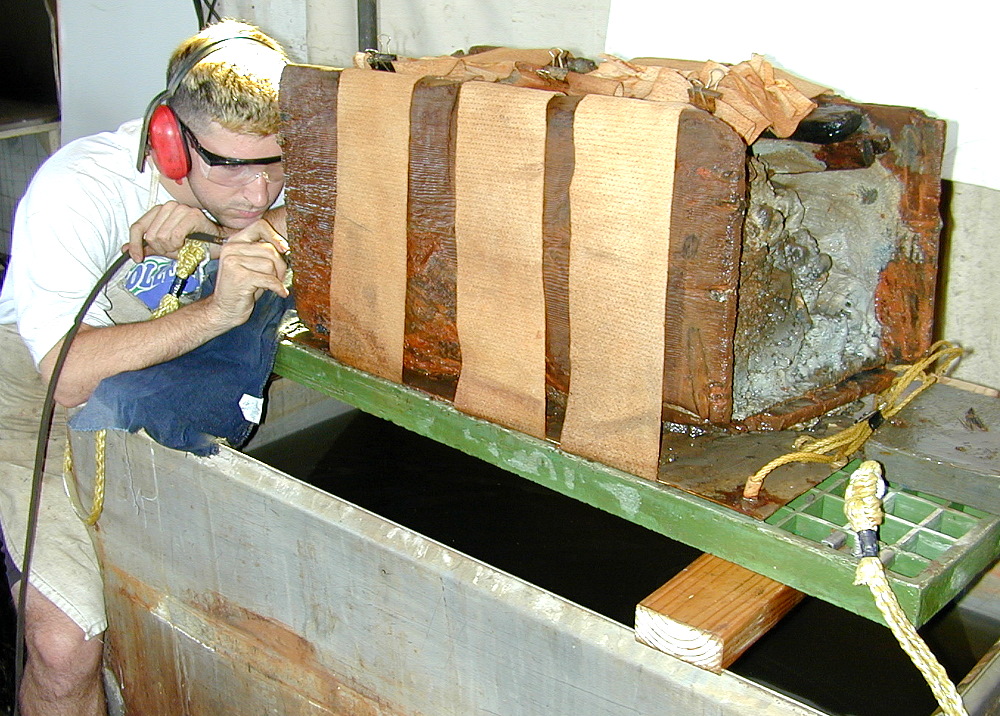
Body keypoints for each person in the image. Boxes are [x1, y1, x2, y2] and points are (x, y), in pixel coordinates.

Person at [0, 19, 290, 714]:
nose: (257, 193)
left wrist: (220, 234)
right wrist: (217, 311)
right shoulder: (81, 190)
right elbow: (66, 377)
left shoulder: (260, 189)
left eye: (273, 164)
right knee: (67, 649)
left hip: (136, 399)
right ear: (168, 141)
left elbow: (318, 225)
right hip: (30, 403)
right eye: (226, 166)